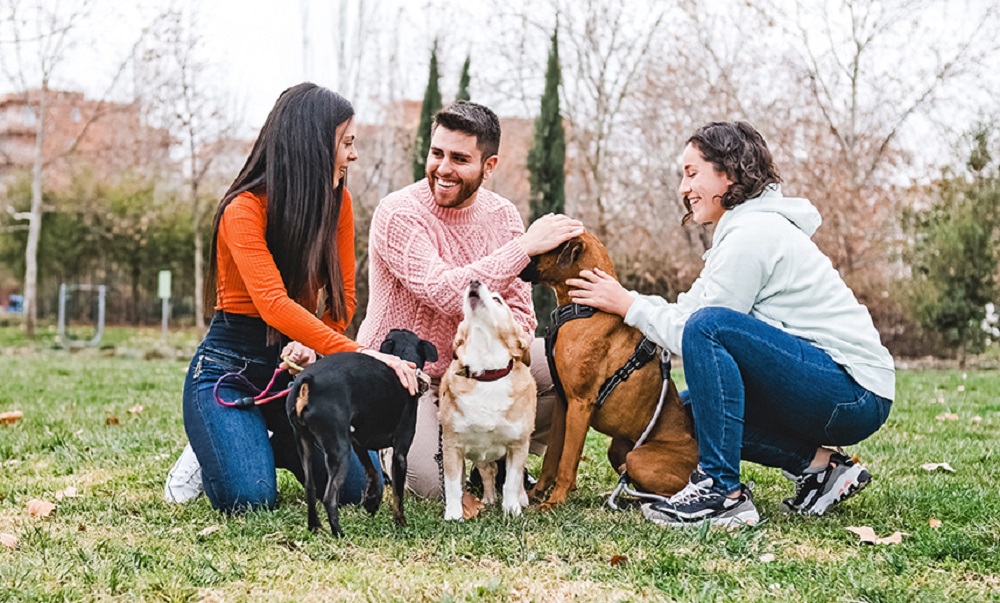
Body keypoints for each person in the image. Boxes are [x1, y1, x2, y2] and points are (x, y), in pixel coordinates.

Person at [567, 121, 894, 527]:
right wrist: (627, 302)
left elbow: (698, 330)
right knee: (683, 415)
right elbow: (691, 311)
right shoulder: (743, 229)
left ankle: (723, 494)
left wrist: (629, 305)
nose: (683, 189)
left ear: (731, 172)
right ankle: (823, 470)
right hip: (830, 388)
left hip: (852, 392)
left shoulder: (753, 234)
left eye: (692, 173)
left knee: (709, 328)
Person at [167, 82, 418, 513]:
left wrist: (315, 344)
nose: (353, 155)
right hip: (230, 367)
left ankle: (274, 441)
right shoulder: (242, 209)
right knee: (250, 498)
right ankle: (215, 441)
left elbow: (344, 300)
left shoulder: (339, 203)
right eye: (346, 143)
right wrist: (365, 355)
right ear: (311, 145)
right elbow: (273, 304)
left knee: (355, 491)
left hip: (296, 373)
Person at [357, 100, 584, 499]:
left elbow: (521, 313)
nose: (443, 168)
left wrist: (491, 368)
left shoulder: (503, 215)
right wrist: (525, 248)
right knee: (427, 483)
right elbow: (443, 292)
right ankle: (393, 449)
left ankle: (497, 452)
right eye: (436, 153)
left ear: (489, 165)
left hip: (475, 373)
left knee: (567, 360)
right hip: (410, 380)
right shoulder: (399, 213)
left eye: (459, 158)